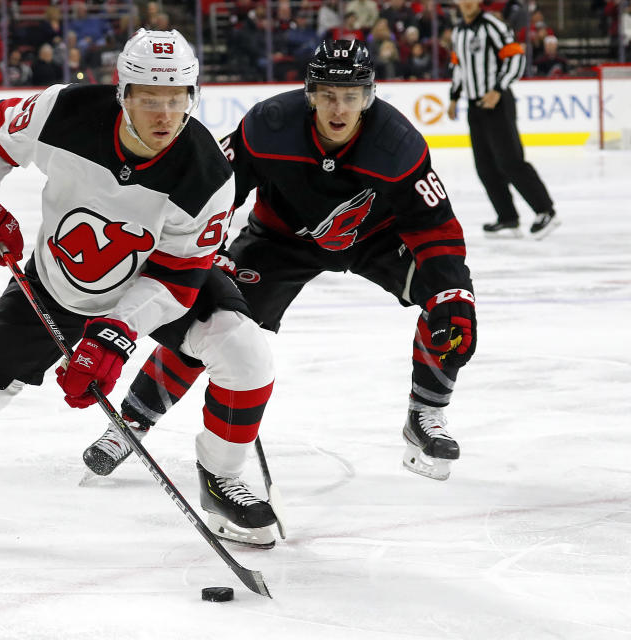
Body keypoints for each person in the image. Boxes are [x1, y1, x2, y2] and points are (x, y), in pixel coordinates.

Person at [0, 29, 279, 549]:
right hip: (57, 285)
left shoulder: (208, 175)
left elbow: (178, 276)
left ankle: (222, 479)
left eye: (176, 100)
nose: (164, 116)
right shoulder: (63, 112)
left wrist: (118, 330)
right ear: (122, 93)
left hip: (153, 284)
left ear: (192, 97)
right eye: (149, 100)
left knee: (244, 351)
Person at [83, 39, 477, 485]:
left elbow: (436, 226)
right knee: (209, 316)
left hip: (377, 240)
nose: (339, 108)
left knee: (451, 304)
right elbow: (217, 192)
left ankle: (425, 412)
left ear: (368, 97)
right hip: (280, 241)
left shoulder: (399, 144)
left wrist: (451, 290)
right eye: (328, 94)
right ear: (309, 93)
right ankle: (131, 423)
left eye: (351, 96)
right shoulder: (269, 125)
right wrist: (208, 257)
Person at [448, 0, 559, 239]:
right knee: (485, 166)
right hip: (475, 106)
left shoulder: (492, 25)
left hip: (497, 103)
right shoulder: (458, 31)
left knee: (510, 161)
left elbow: (516, 57)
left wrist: (498, 89)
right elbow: (458, 66)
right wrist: (454, 97)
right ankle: (507, 217)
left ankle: (545, 211)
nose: (466, 3)